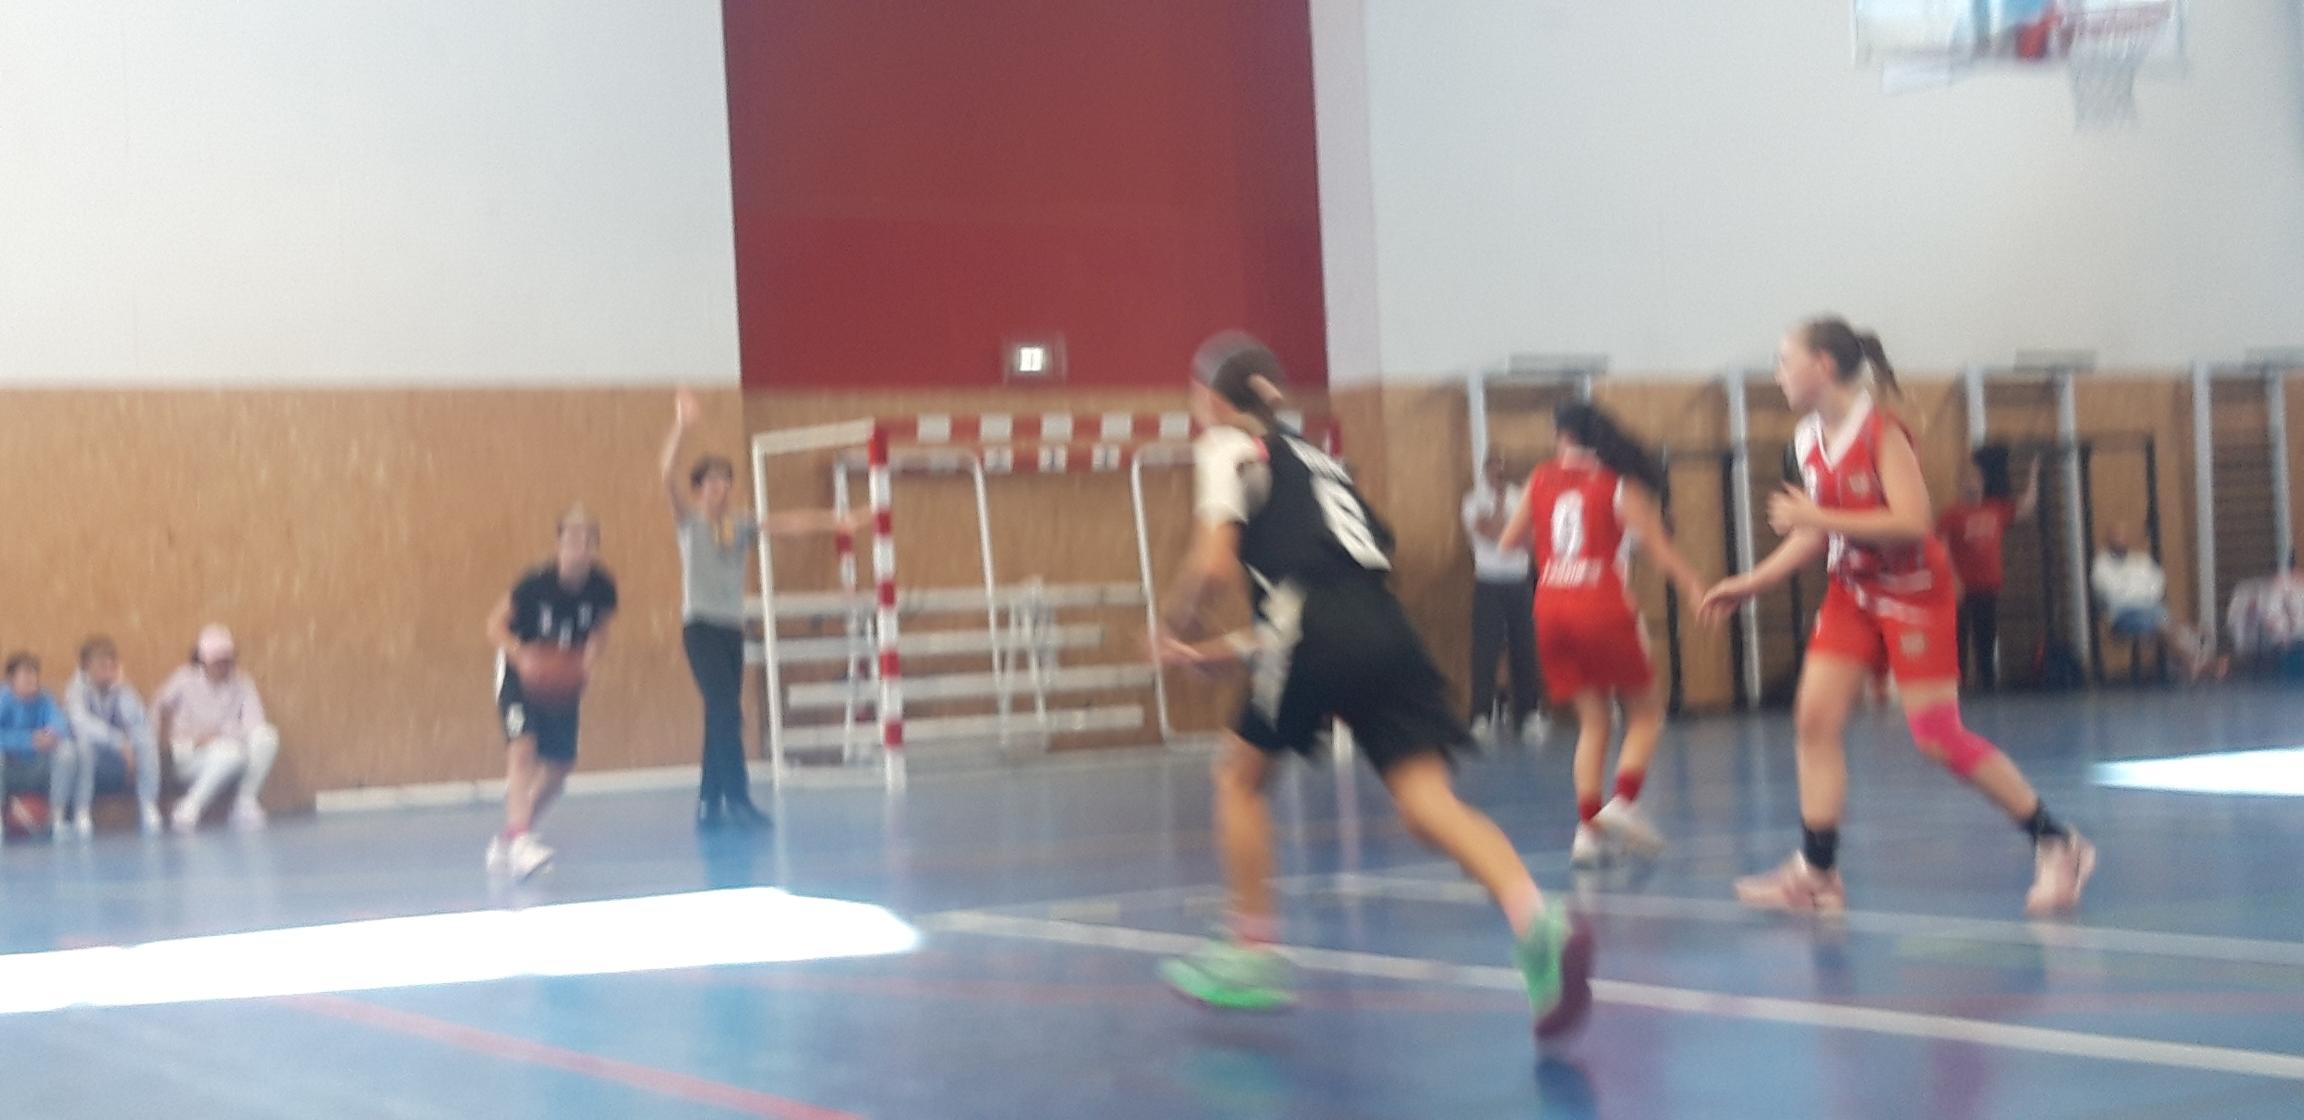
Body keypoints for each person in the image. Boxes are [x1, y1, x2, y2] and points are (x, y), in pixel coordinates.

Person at [1152, 332, 1592, 1039]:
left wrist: (1173, 621)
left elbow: (1216, 567)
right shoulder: (1318, 459)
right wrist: (1223, 652)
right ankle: (1536, 919)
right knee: (1427, 804)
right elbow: (1331, 591)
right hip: (1387, 628)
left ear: (1209, 399)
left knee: (1238, 777)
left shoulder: (1226, 446)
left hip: (1312, 630)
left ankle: (1252, 953)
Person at [1699, 317, 2094, 917]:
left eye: (1785, 360)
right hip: (1853, 593)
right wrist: (1753, 581)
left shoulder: (1882, 433)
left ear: (1823, 365)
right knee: (1813, 719)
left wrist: (1819, 518)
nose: (1777, 373)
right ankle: (1818, 874)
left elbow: (1912, 521)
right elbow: (1816, 531)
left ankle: (2057, 842)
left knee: (1937, 737)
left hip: (1914, 594)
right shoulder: (1807, 439)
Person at [1495, 402, 1707, 867]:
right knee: (1646, 712)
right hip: (1601, 604)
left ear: (1562, 435)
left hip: (1550, 606)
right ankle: (1623, 802)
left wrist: (1553, 555)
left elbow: (1508, 542)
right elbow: (1658, 548)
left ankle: (1588, 833)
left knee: (1594, 722)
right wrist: (1694, 586)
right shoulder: (1615, 483)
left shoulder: (1540, 478)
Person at [660, 388, 858, 830]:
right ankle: (737, 798)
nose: (720, 488)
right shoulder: (689, 523)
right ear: (699, 490)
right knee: (726, 712)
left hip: (731, 629)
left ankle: (709, 801)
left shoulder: (741, 524)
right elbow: (666, 474)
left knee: (721, 714)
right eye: (711, 481)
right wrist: (682, 426)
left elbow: (783, 524)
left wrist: (832, 521)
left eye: (725, 480)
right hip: (701, 627)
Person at [486, 504, 618, 879]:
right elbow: (494, 624)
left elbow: (599, 630)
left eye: (586, 541)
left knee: (559, 766)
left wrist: (589, 661)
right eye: (571, 540)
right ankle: (522, 840)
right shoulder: (534, 584)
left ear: (594, 549)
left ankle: (511, 837)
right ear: (558, 546)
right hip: (519, 672)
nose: (578, 547)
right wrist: (522, 655)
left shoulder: (602, 588)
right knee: (522, 749)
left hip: (562, 676)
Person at [154, 626, 279, 832]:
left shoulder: (242, 683)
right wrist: (189, 742)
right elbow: (158, 714)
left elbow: (254, 722)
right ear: (204, 661)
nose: (224, 666)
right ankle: (190, 806)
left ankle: (245, 801)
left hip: (228, 747)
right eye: (218, 661)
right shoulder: (182, 680)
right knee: (230, 753)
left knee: (266, 736)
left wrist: (221, 735)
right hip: (186, 754)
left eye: (228, 660)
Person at [1936, 453, 2039, 689]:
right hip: (1961, 588)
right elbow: (1941, 549)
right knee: (1959, 637)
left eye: (1976, 480)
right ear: (1961, 485)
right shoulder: (1951, 515)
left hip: (1987, 586)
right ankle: (1958, 682)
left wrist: (2033, 476)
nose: (1972, 485)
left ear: (1982, 483)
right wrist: (1953, 579)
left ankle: (1988, 682)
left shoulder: (1995, 510)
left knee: (1986, 636)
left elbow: (2026, 507)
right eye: (1967, 481)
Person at [1462, 453, 1543, 743]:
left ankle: (1529, 714)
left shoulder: (1523, 498)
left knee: (1525, 648)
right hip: (1489, 582)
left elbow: (1531, 540)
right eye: (1493, 469)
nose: (1498, 474)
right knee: (1485, 651)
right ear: (1485, 471)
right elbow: (1490, 534)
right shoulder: (1473, 501)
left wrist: (1509, 531)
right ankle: (1481, 717)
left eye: (1502, 469)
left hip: (1519, 582)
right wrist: (1499, 508)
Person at [63, 636, 163, 833]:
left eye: (111, 664)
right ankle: (82, 810)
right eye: (102, 665)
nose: (107, 669)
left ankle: (148, 805)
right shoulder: (75, 689)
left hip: (120, 758)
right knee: (84, 746)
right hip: (90, 758)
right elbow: (81, 725)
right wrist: (119, 741)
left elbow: (138, 722)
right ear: (86, 667)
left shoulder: (120, 687)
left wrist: (122, 690)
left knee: (145, 740)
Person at [2092, 525, 2212, 679]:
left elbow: (2157, 584)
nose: (2121, 541)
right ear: (2108, 541)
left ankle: (2194, 662)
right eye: (2116, 538)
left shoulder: (2142, 561)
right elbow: (2111, 593)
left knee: (2179, 625)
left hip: (2151, 608)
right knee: (2167, 625)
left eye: (2123, 537)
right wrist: (2138, 591)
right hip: (2123, 615)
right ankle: (2195, 662)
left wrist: (2133, 590)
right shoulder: (2101, 566)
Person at [0, 652, 82, 839]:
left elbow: (60, 722)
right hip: (9, 768)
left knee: (67, 752)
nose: (31, 679)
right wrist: (28, 740)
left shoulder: (45, 698)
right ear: (11, 680)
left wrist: (52, 734)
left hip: (38, 768)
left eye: (34, 673)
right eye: (25, 674)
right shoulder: (3, 700)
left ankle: (57, 818)